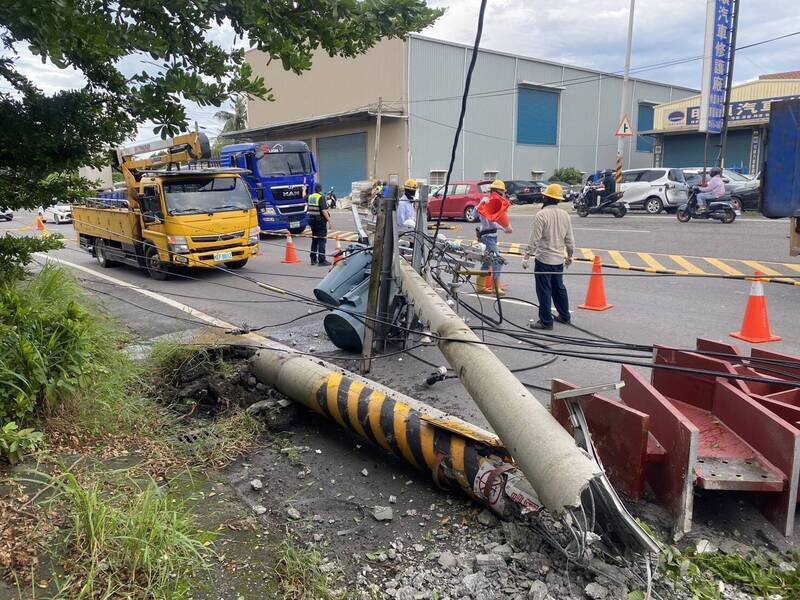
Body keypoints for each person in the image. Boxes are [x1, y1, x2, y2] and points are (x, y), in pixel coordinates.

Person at [522, 183, 574, 330]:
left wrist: (526, 256)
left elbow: (534, 239)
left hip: (544, 259)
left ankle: (546, 321)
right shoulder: (565, 215)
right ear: (558, 199)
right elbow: (570, 240)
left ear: (545, 197)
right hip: (558, 260)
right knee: (559, 287)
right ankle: (564, 316)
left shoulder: (541, 215)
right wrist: (569, 256)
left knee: (544, 290)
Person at [476, 180, 513, 296]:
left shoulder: (495, 202)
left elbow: (495, 222)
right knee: (497, 260)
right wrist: (480, 204)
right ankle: (495, 287)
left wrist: (505, 228)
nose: (502, 195)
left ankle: (480, 287)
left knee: (487, 261)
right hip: (487, 237)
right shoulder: (485, 202)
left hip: (492, 236)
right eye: (501, 192)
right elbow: (474, 215)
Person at [307, 183, 331, 266]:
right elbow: (324, 211)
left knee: (314, 240)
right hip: (320, 222)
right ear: (320, 189)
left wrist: (303, 190)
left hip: (312, 222)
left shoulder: (310, 197)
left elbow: (304, 197)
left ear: (314, 189)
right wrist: (329, 221)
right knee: (321, 240)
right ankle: (321, 260)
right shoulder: (321, 197)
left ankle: (313, 259)